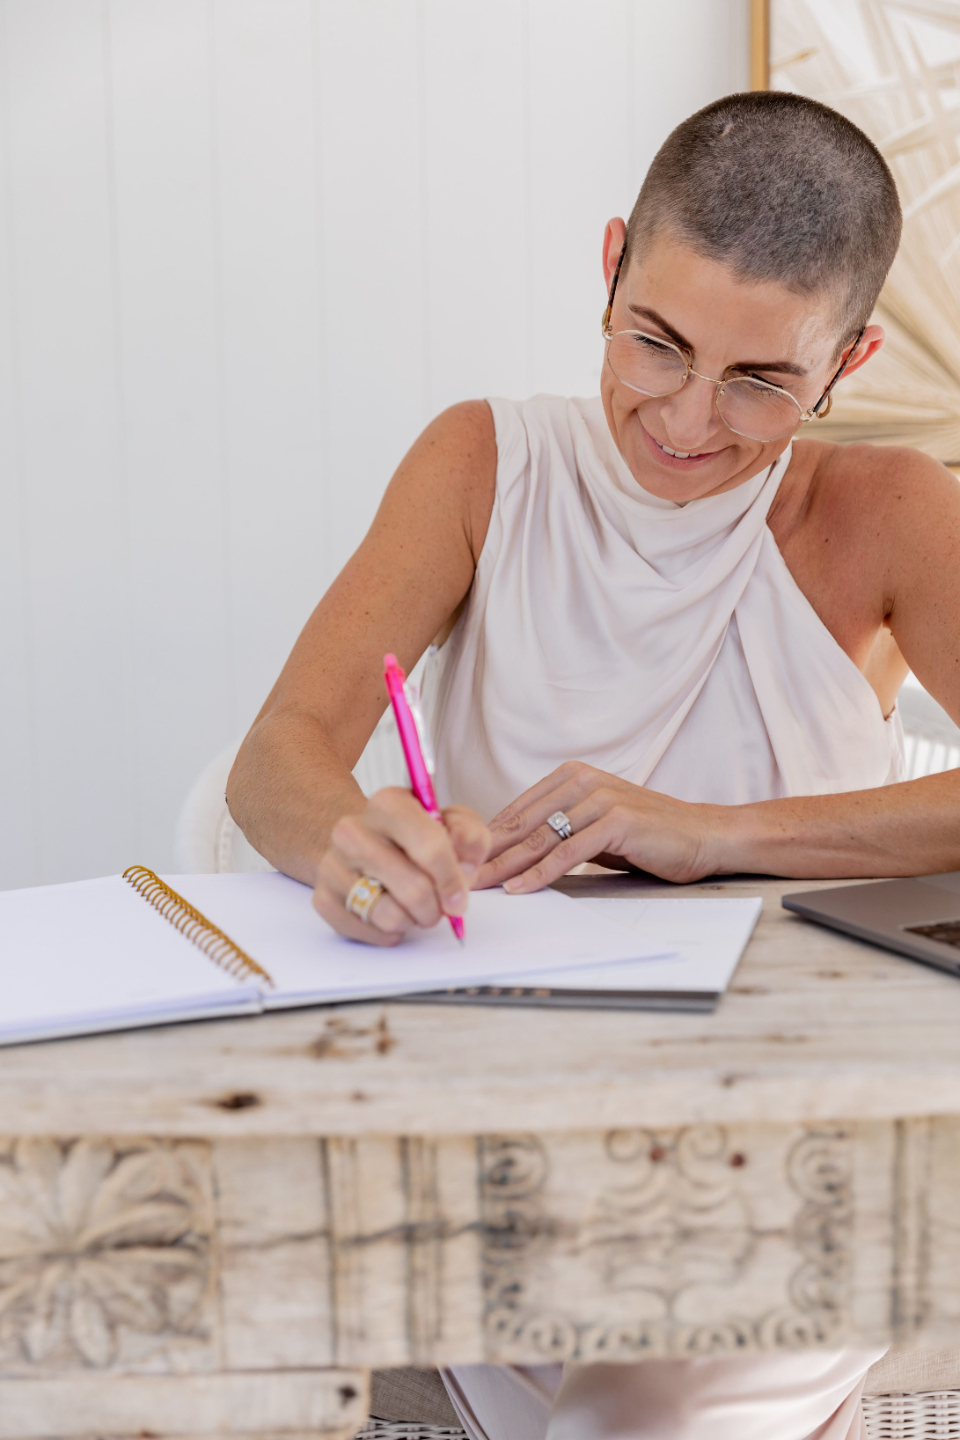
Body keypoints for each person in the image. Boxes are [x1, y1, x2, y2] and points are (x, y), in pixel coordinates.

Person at [226, 91, 960, 1440]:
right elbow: (278, 755)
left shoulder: (885, 511)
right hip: (503, 1127)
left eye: (761, 380)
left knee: (635, 1411)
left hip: (790, 1150)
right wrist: (353, 845)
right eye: (655, 343)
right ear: (613, 263)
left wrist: (714, 833)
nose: (686, 418)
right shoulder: (483, 461)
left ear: (847, 362)